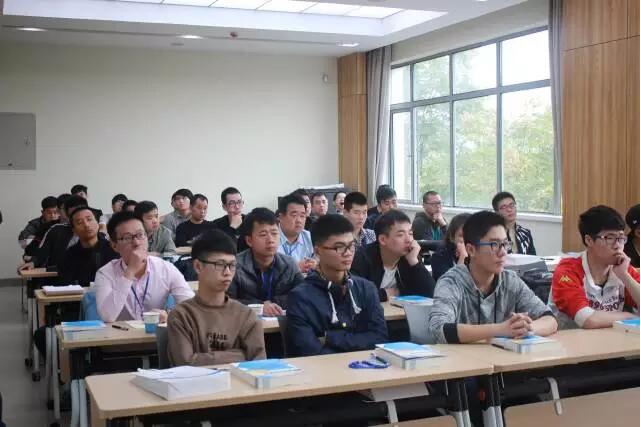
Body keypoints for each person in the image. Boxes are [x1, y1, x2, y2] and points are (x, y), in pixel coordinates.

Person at [429, 211, 558, 344]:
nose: (502, 252)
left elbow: (550, 319)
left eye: (505, 244)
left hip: (502, 356)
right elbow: (439, 329)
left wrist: (527, 328)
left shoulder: (510, 280)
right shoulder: (451, 282)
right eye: (494, 245)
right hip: (462, 357)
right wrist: (500, 329)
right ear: (471, 250)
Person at [286, 214, 388, 357]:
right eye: (339, 247)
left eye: (351, 246)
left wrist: (331, 338)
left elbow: (380, 338)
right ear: (317, 251)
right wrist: (357, 342)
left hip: (365, 366)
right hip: (321, 369)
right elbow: (312, 351)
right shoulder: (301, 297)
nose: (348, 253)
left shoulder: (366, 288)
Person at [167, 230, 266, 366]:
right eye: (220, 265)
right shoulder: (181, 315)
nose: (227, 272)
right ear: (198, 266)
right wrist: (241, 355)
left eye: (232, 265)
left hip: (239, 381)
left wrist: (200, 358)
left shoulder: (246, 315)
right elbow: (185, 363)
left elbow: (259, 364)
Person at [94, 211, 195, 323]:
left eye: (140, 235)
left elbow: (191, 308)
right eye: (127, 238)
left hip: (155, 333)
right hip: (120, 334)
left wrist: (169, 315)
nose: (136, 242)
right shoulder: (105, 273)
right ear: (114, 246)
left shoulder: (165, 268)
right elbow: (107, 316)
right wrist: (130, 272)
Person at [550, 205, 640, 329]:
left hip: (610, 338)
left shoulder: (622, 268)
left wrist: (625, 276)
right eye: (610, 238)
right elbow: (588, 319)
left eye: (620, 238)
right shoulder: (568, 270)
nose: (617, 245)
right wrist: (630, 317)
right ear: (589, 240)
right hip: (569, 339)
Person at [228, 208, 304, 316]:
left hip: (282, 323)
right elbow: (226, 301)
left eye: (274, 233)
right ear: (249, 240)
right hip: (245, 323)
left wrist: (272, 303)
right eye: (263, 235)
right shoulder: (234, 266)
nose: (270, 240)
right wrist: (260, 307)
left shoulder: (289, 264)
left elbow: (303, 295)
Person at [351, 210, 435, 301]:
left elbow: (431, 293)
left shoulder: (409, 257)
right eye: (401, 235)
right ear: (383, 240)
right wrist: (385, 293)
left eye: (410, 234)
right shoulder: (361, 258)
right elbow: (354, 293)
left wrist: (414, 262)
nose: (409, 240)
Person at [19, 195, 88, 271]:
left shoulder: (90, 227)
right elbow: (40, 251)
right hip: (54, 270)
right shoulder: (53, 228)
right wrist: (33, 261)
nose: (53, 215)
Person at [59, 207, 119, 285]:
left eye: (89, 219)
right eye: (80, 222)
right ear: (74, 231)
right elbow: (66, 286)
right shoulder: (69, 256)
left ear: (98, 223)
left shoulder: (113, 250)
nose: (86, 225)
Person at [277, 194, 317, 273]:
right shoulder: (270, 239)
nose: (299, 220)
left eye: (302, 216)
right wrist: (295, 268)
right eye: (294, 215)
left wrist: (315, 265)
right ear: (281, 217)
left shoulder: (310, 237)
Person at [431, 213, 471, 282]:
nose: (467, 239)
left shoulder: (478, 254)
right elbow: (450, 284)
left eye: (470, 235)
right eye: (461, 236)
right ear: (452, 237)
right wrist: (462, 257)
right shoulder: (439, 256)